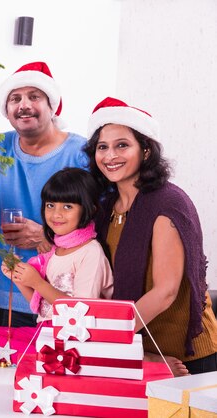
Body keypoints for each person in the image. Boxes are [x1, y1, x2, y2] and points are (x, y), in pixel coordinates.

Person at [0, 61, 89, 327]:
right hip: (10, 297)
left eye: (34, 96)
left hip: (66, 301)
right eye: (15, 98)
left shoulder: (80, 153)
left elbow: (98, 228)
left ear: (52, 105)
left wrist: (46, 237)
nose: (24, 105)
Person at [85, 96, 217, 375]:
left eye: (122, 145)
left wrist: (108, 339)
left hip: (184, 356)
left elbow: (166, 291)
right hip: (136, 353)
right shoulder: (106, 208)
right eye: (102, 147)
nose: (110, 156)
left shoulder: (168, 204)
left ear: (145, 151)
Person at [0, 168, 113, 360]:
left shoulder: (90, 252)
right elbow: (42, 306)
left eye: (68, 207)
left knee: (1, 346)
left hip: (73, 338)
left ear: (89, 209)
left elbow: (83, 310)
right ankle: (50, 358)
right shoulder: (55, 250)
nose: (56, 214)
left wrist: (38, 283)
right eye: (50, 205)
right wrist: (21, 279)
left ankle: (59, 358)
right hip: (44, 331)